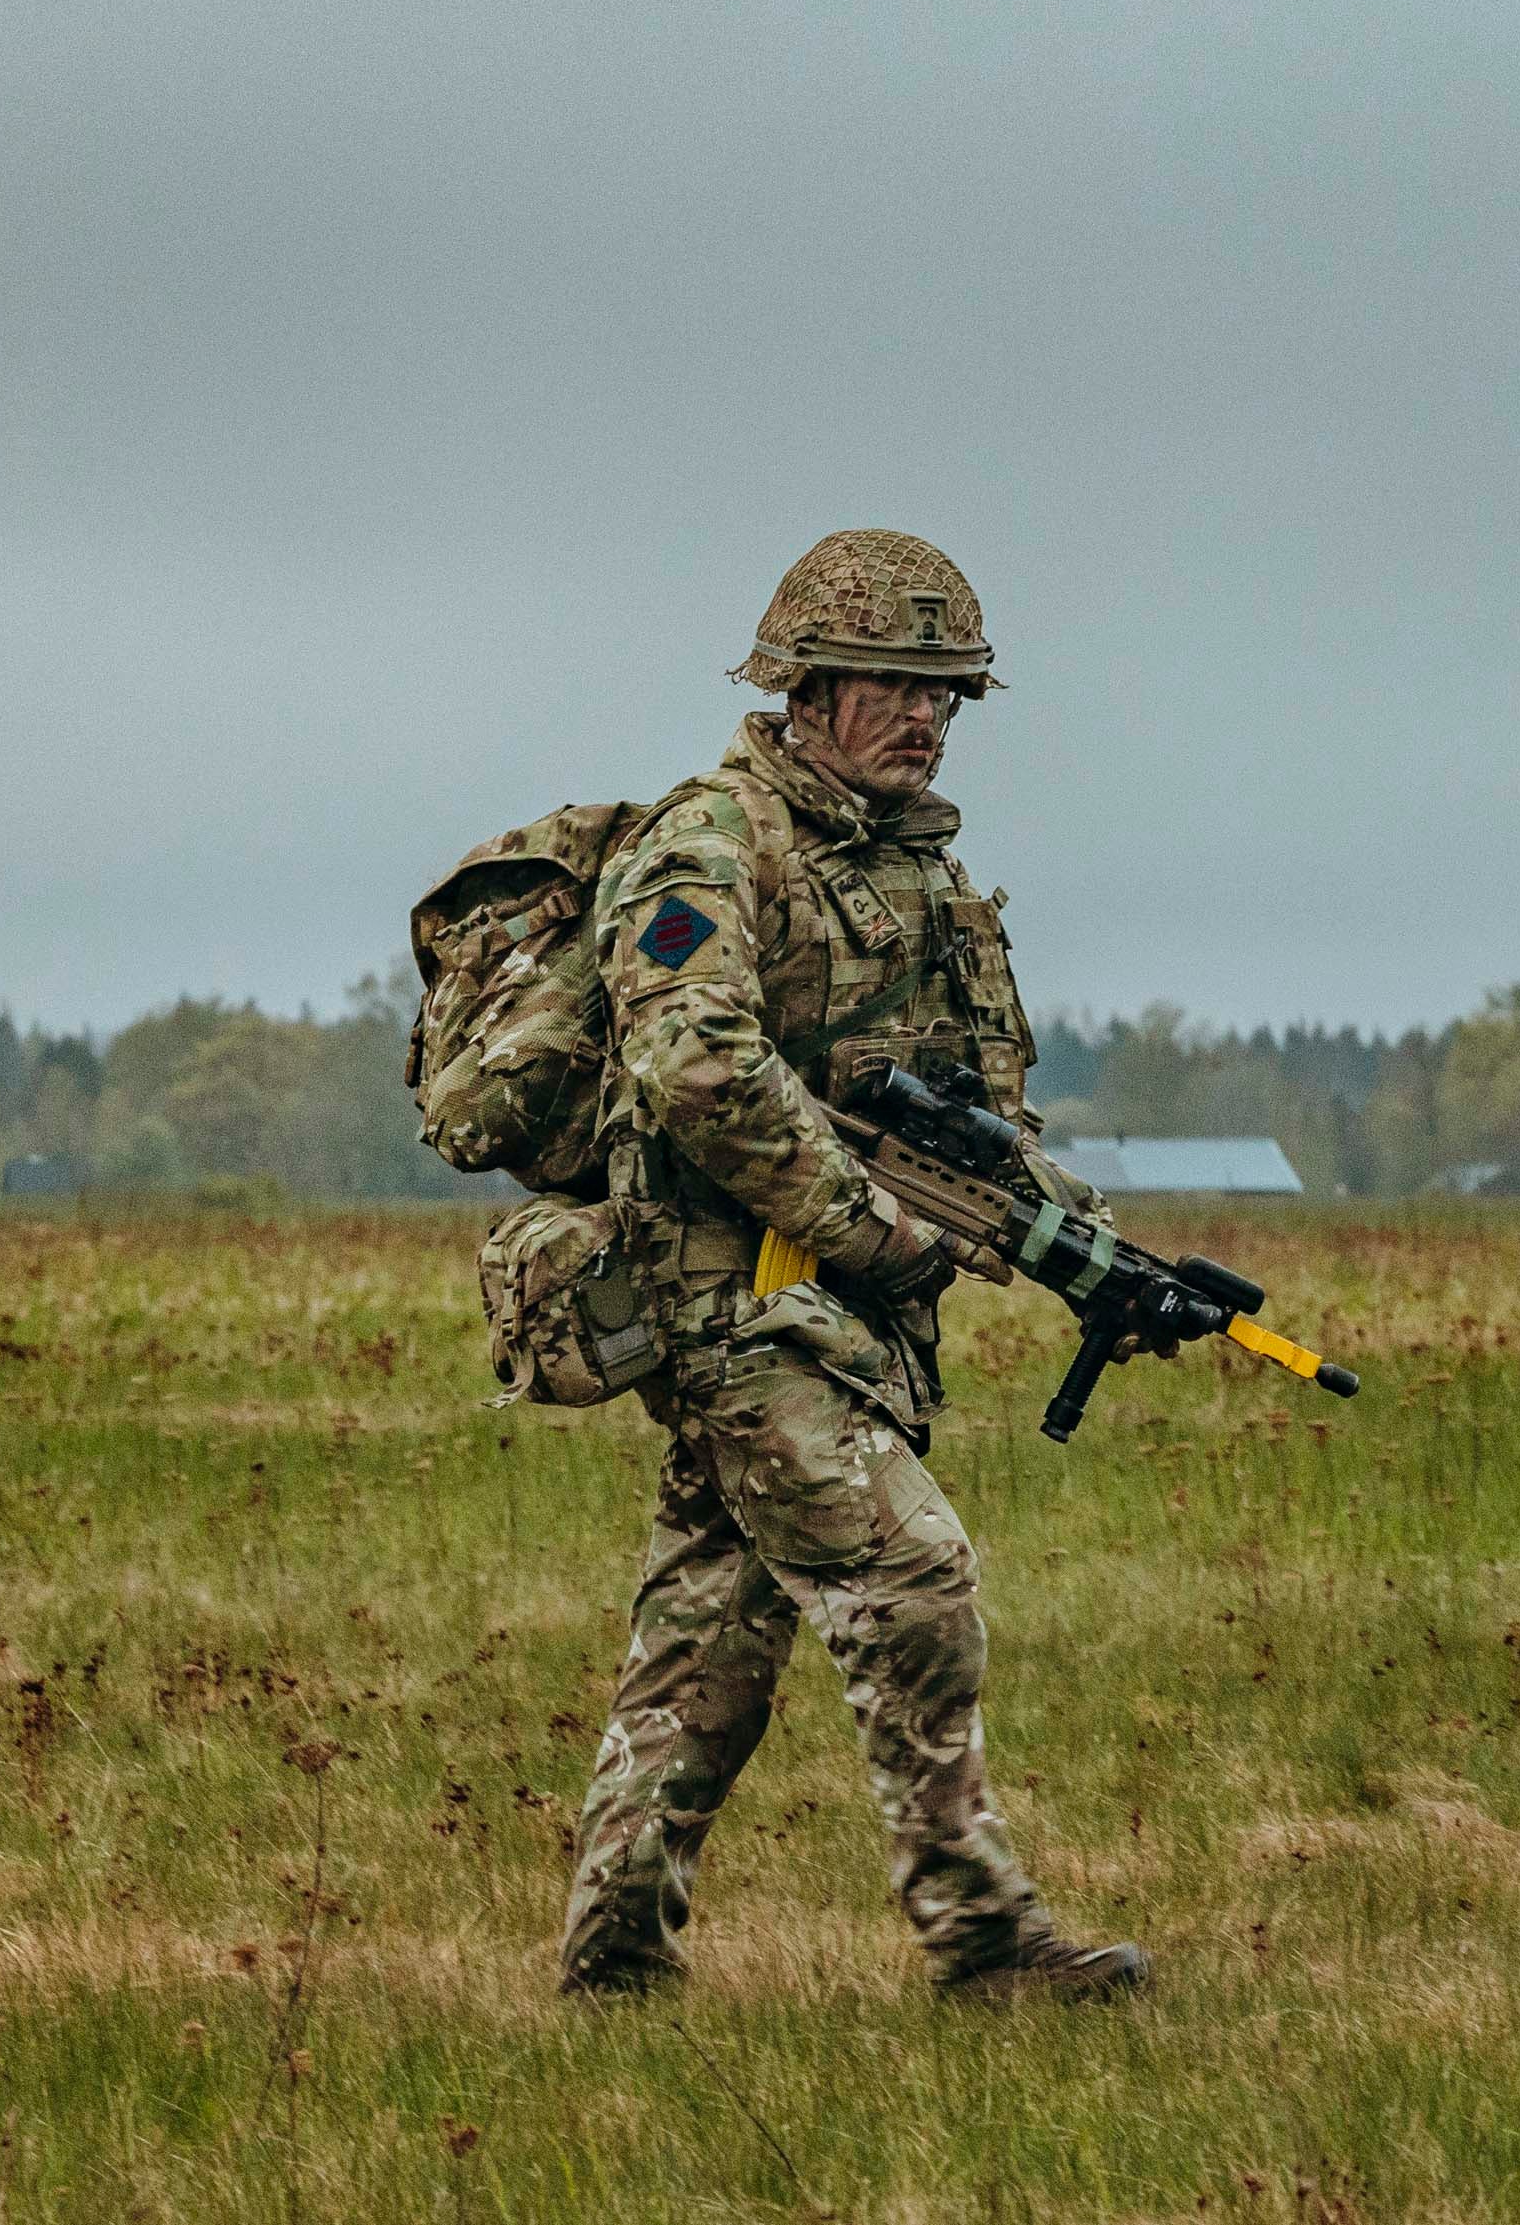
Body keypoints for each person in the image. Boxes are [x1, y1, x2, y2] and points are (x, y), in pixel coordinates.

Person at [555, 528, 1147, 2000]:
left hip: (835, 1318)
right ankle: (988, 1943)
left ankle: (612, 1967)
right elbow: (694, 1059)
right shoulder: (711, 842)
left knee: (708, 1651)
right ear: (808, 686)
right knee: (913, 1570)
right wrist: (867, 1225)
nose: (927, 714)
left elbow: (965, 1121)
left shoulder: (918, 874)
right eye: (894, 681)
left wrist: (1102, 1253)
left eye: (948, 690)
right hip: (733, 1311)